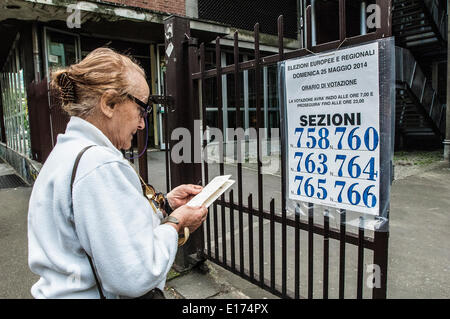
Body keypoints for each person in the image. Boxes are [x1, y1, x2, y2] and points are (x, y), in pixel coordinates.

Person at [27, 48, 208, 299]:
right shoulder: (99, 164)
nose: (143, 122)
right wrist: (176, 224)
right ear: (109, 103)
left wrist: (165, 205)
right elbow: (135, 275)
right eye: (141, 109)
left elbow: (110, 228)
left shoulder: (67, 152)